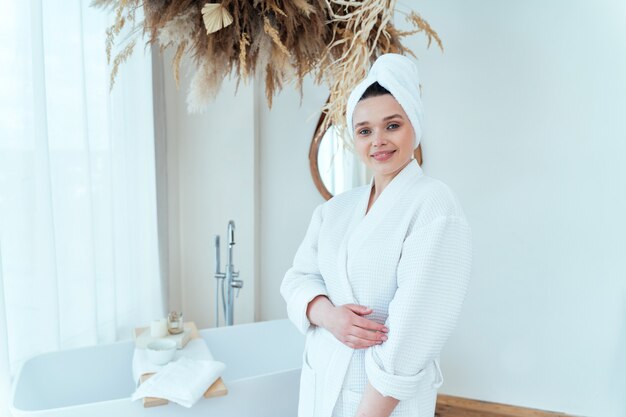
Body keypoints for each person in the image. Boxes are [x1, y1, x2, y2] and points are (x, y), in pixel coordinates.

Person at [280, 53, 472, 417]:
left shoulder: (434, 205)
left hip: (378, 403)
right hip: (321, 387)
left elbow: (415, 331)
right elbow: (297, 279)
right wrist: (328, 315)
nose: (378, 141)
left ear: (414, 124)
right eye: (364, 130)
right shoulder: (335, 209)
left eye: (392, 125)